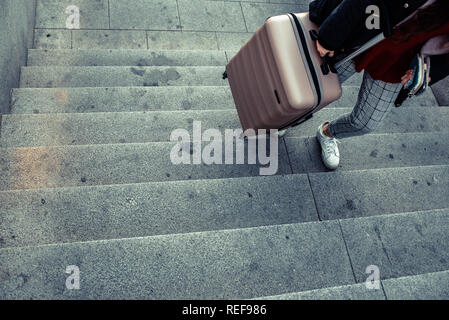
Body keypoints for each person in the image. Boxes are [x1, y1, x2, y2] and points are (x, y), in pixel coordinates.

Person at [310, 0, 449, 170]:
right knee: (313, 89)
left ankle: (327, 133)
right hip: (362, 33)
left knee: (365, 122)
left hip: (398, 63)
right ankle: (288, 117)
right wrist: (330, 36)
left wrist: (427, 71)